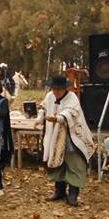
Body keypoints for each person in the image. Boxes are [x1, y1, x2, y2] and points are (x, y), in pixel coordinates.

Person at [33, 74, 94, 206]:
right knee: (56, 162)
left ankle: (73, 194)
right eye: (54, 89)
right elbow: (43, 108)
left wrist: (58, 118)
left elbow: (70, 112)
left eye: (59, 89)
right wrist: (39, 118)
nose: (56, 92)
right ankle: (59, 191)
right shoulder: (50, 96)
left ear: (64, 89)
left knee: (74, 164)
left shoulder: (72, 98)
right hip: (54, 136)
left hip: (71, 137)